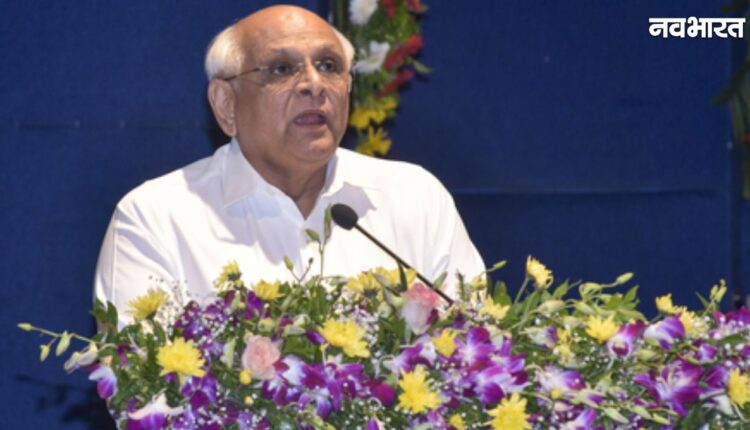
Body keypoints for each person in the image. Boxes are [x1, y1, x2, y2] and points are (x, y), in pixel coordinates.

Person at [94, 5, 484, 325]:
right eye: (281, 69)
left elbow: (479, 352)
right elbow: (140, 388)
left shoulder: (416, 198)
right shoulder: (155, 218)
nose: (314, 84)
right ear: (226, 104)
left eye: (329, 66)